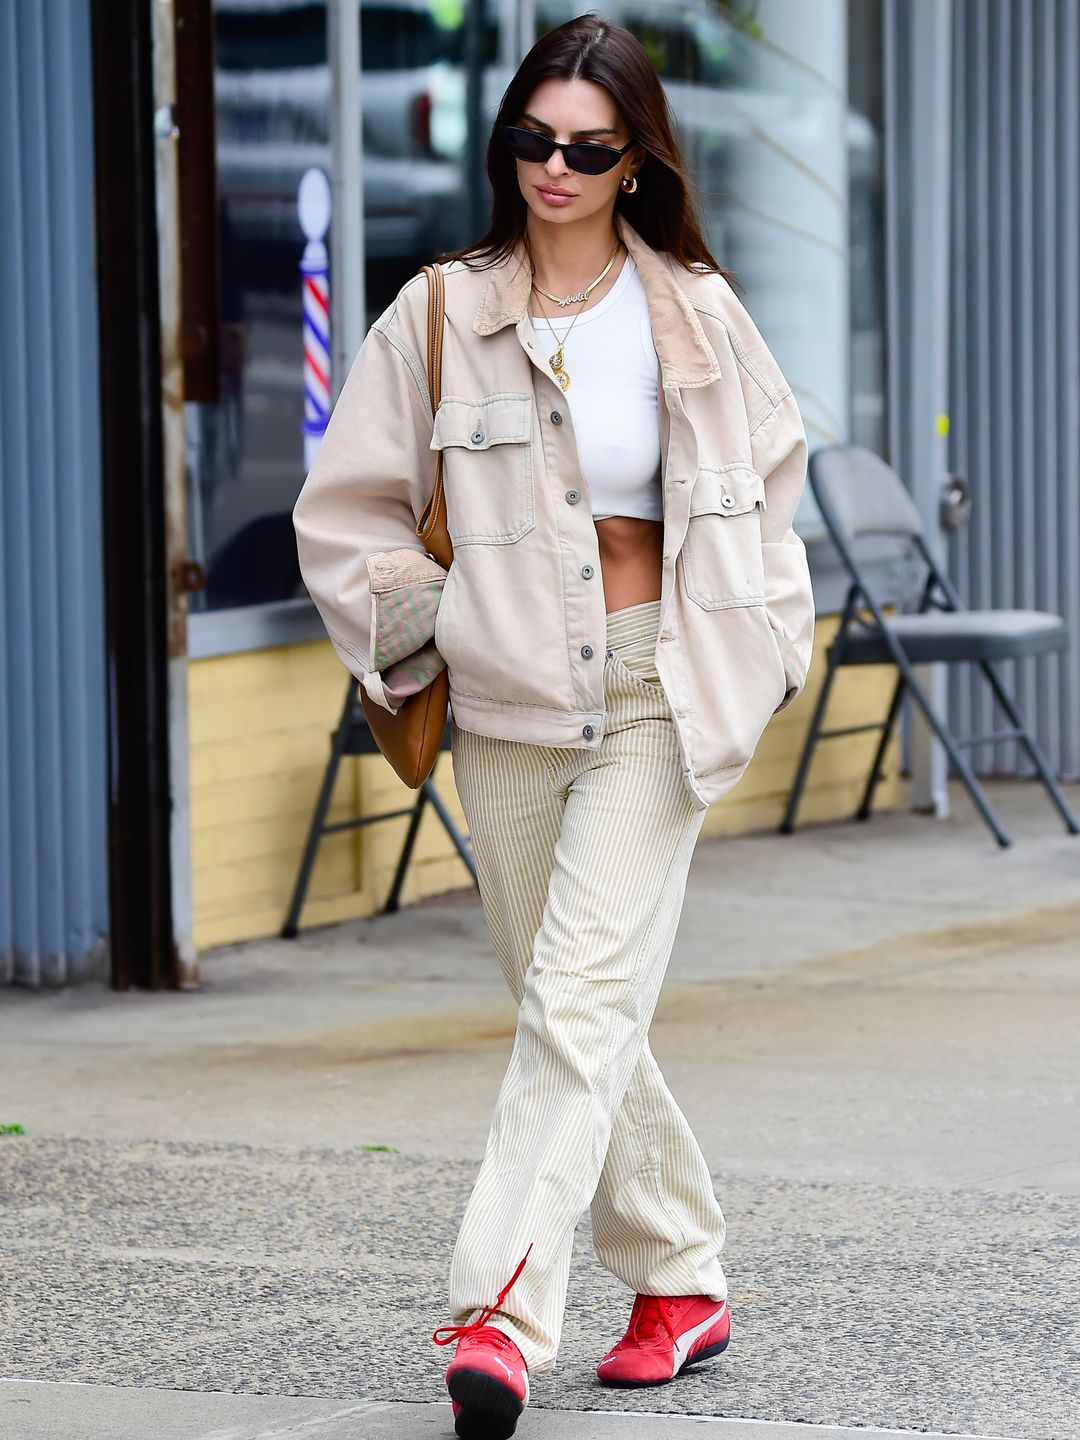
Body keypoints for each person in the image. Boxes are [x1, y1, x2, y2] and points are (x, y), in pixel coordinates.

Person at [293, 14, 815, 1438]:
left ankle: (496, 1316)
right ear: (505, 141)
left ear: (638, 157)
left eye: (589, 146)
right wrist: (442, 621)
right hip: (512, 702)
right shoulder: (442, 312)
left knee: (578, 1005)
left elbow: (773, 496)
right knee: (569, 1008)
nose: (557, 168)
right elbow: (349, 518)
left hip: (663, 687)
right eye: (534, 139)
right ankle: (682, 1277)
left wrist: (770, 648)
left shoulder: (697, 311)